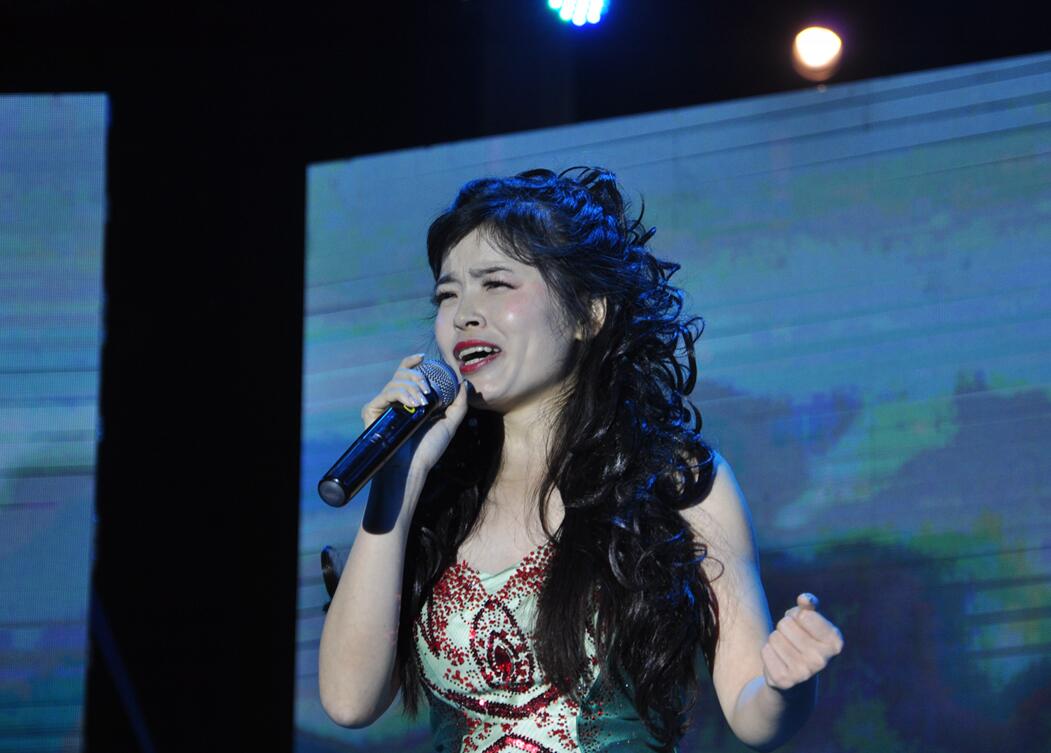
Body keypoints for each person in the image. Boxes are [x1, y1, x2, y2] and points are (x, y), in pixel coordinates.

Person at [318, 167, 844, 752]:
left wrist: (786, 683)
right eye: (447, 294)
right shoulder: (434, 496)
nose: (464, 313)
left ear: (588, 313)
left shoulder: (674, 482)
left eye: (496, 284)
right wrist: (399, 476)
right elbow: (349, 700)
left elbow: (752, 711)